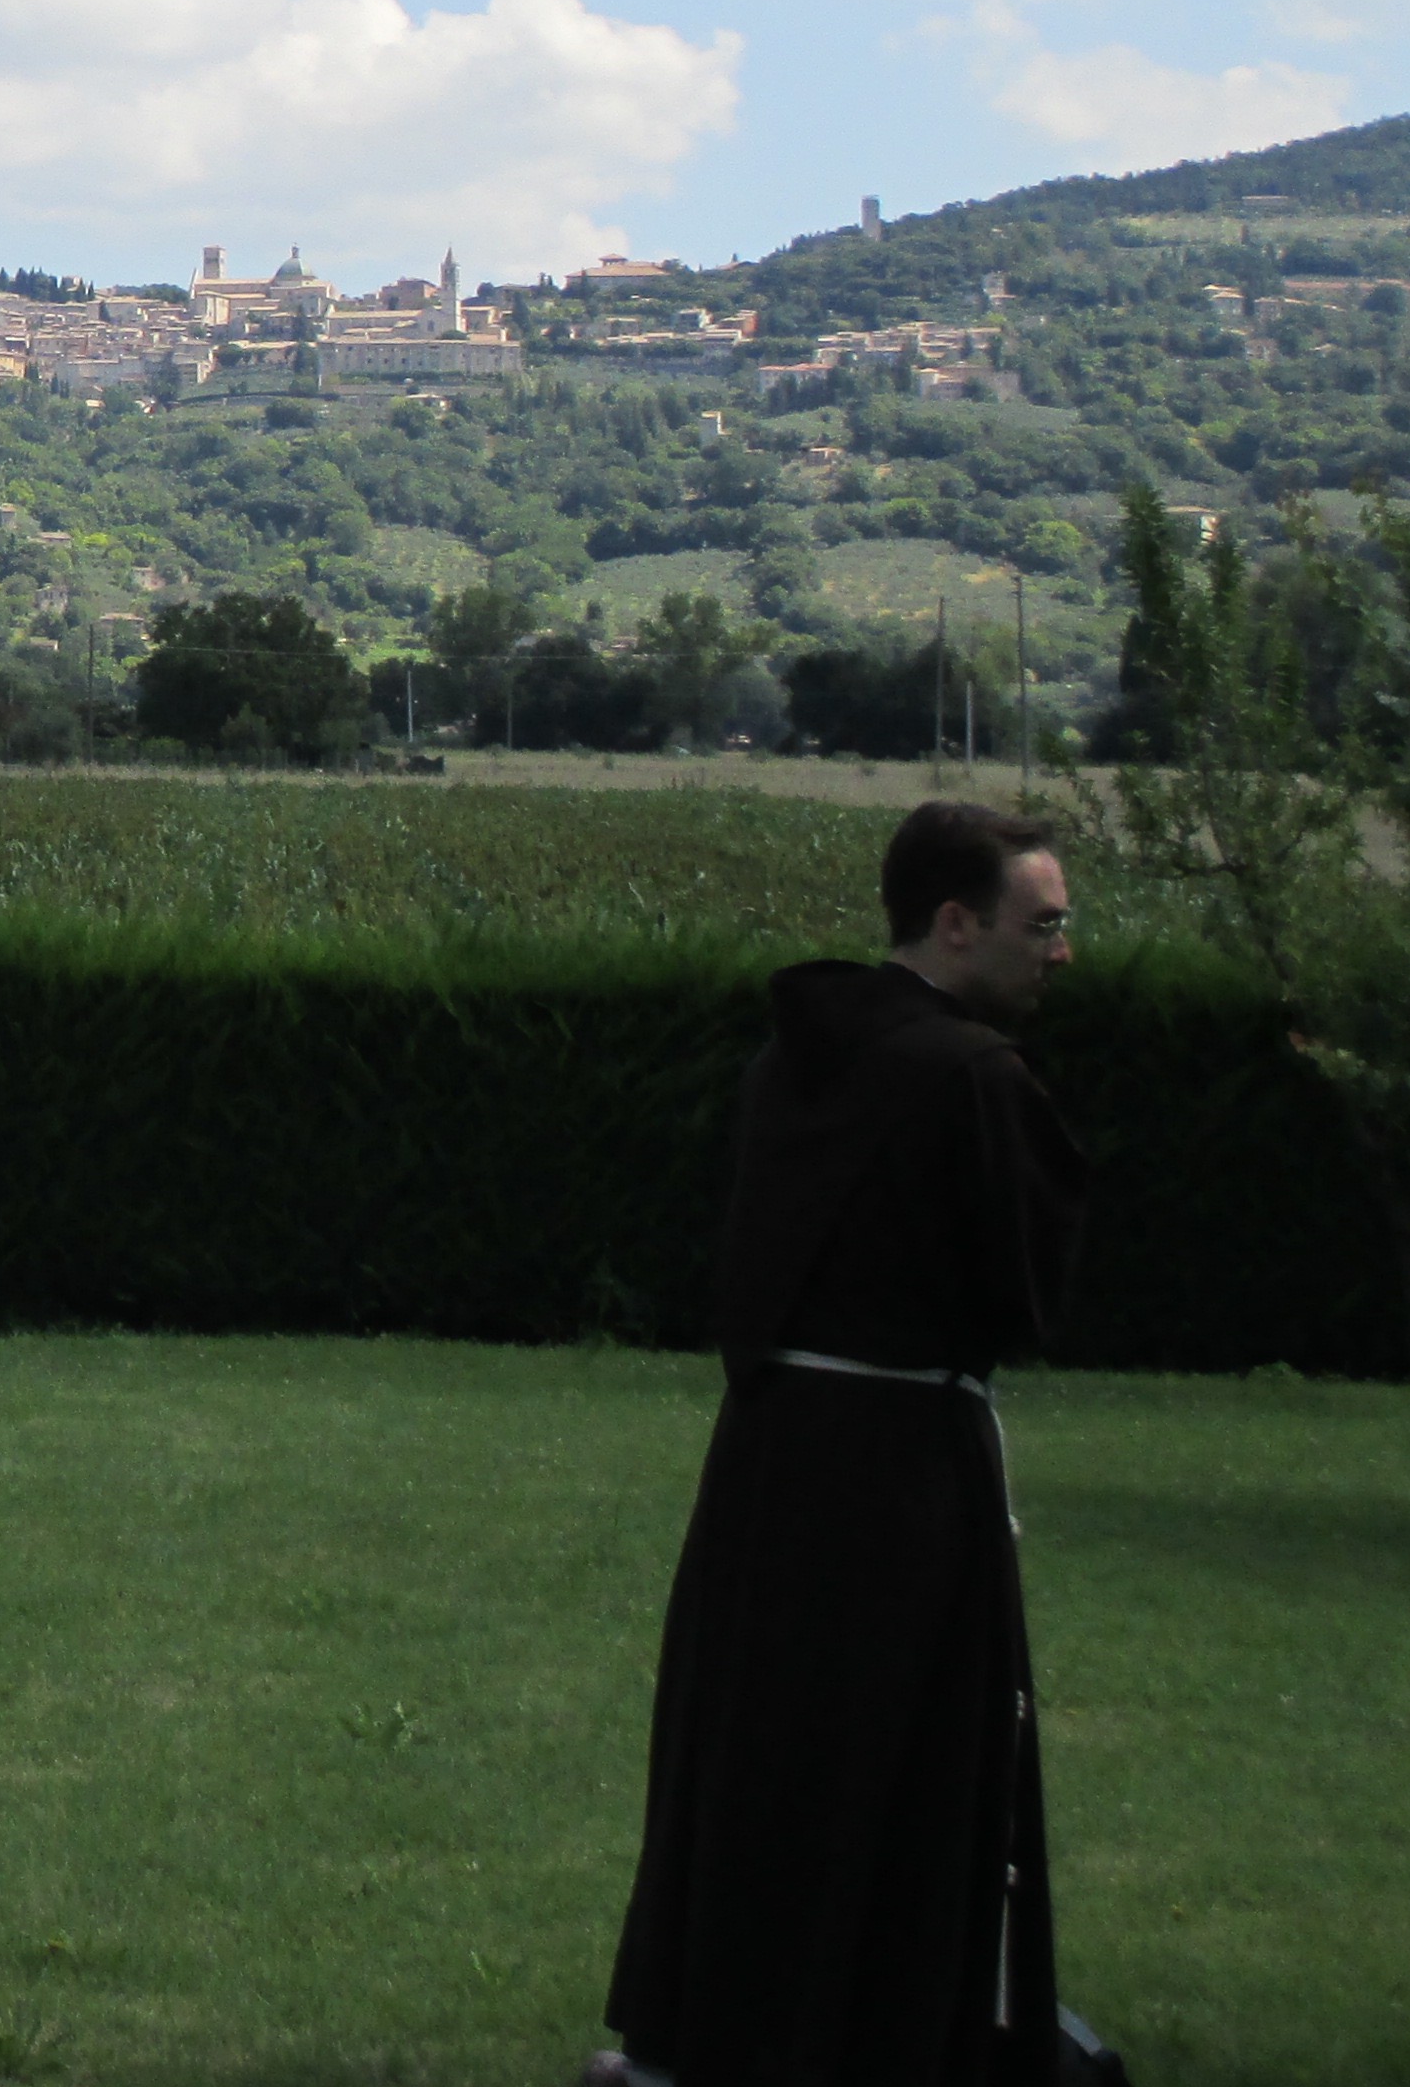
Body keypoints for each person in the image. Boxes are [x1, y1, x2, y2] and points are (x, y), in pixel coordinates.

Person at [585, 800, 1095, 2087]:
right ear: (955, 920)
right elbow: (1023, 1287)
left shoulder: (797, 1055)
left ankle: (730, 2020)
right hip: (900, 1483)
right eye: (1045, 924)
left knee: (765, 1752)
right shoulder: (970, 1080)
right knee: (897, 1757)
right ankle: (895, 2031)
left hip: (770, 1459)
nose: (1063, 952)